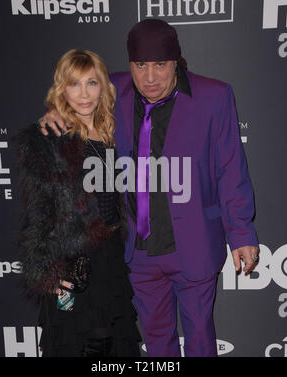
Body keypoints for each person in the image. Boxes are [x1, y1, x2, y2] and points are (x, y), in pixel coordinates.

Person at [39, 20, 260, 357]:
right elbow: (74, 96)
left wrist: (241, 233)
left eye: (160, 65)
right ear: (131, 65)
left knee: (200, 338)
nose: (150, 77)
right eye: (141, 65)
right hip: (138, 251)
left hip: (193, 243)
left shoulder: (214, 96)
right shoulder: (112, 89)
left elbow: (230, 169)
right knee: (157, 344)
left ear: (176, 62)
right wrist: (53, 114)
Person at [17, 49, 141, 357]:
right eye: (74, 84)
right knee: (82, 342)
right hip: (74, 258)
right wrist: (46, 269)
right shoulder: (51, 135)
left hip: (110, 253)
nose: (84, 94)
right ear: (62, 88)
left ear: (104, 86)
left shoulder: (112, 130)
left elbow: (147, 80)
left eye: (92, 83)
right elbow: (38, 210)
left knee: (116, 343)